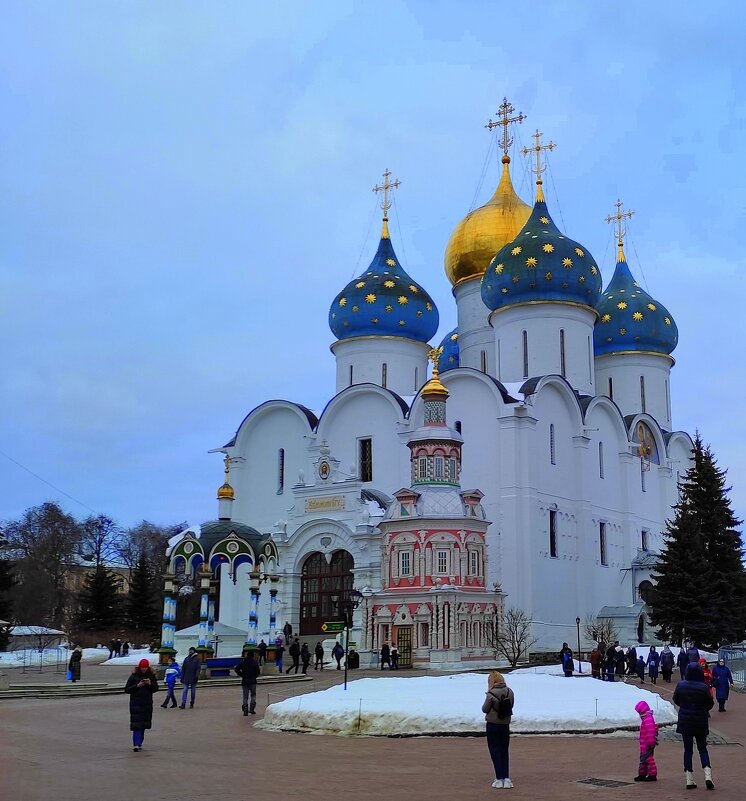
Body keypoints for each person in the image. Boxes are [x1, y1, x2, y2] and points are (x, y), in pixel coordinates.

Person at [672, 662, 715, 790]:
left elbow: (676, 699)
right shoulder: (703, 687)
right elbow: (710, 703)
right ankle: (708, 776)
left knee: (688, 750)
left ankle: (689, 779)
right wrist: (702, 709)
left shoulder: (681, 685)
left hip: (685, 721)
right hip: (700, 721)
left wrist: (685, 706)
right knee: (703, 749)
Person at [482, 671, 515, 789]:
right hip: (505, 725)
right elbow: (511, 705)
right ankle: (507, 778)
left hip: (492, 725)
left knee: (494, 750)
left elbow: (485, 709)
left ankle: (499, 778)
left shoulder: (491, 694)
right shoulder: (509, 691)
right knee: (504, 750)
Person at [124, 658, 159, 752]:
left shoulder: (151, 676)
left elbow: (155, 688)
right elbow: (127, 689)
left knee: (143, 725)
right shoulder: (134, 676)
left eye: (145, 667)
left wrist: (150, 684)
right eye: (142, 667)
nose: (143, 669)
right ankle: (135, 744)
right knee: (136, 725)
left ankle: (139, 742)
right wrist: (137, 686)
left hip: (147, 704)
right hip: (136, 703)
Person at [634, 700, 658, 782]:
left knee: (648, 759)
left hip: (647, 744)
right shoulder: (646, 718)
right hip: (644, 744)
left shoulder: (647, 719)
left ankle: (652, 774)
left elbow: (650, 731)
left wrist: (651, 742)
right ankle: (642, 774)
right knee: (643, 760)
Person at [235, 650, 261, 716]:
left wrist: (241, 674)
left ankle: (245, 710)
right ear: (253, 656)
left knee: (245, 696)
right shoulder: (255, 663)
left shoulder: (244, 662)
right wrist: (255, 676)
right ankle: (252, 709)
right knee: (253, 695)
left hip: (245, 681)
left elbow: (236, 669)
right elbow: (258, 672)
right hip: (253, 681)